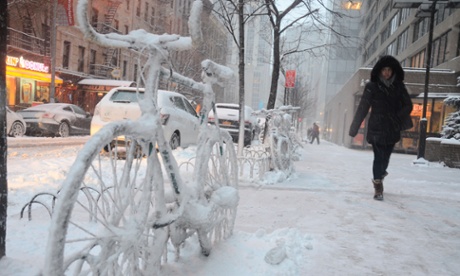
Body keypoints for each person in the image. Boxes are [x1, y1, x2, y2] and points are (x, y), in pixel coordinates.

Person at [349, 55, 413, 201]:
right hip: (376, 126)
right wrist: (354, 128)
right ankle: (378, 186)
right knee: (378, 157)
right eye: (384, 69)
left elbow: (408, 105)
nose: (386, 73)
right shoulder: (372, 87)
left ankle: (381, 173)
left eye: (389, 70)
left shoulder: (399, 87)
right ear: (379, 71)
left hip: (392, 127)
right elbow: (363, 107)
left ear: (393, 71)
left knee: (386, 158)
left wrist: (397, 117)